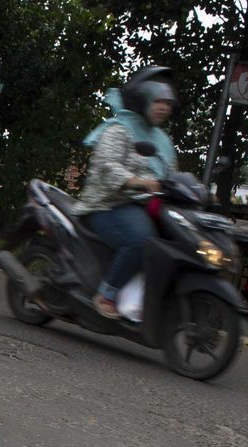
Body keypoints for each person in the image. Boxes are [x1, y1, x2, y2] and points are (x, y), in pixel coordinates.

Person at [76, 66, 179, 319]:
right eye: (158, 101)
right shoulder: (118, 129)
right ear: (142, 99)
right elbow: (106, 165)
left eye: (168, 103)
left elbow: (172, 175)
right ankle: (107, 294)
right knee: (140, 240)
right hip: (107, 205)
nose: (164, 108)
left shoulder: (162, 140)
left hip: (143, 207)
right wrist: (136, 181)